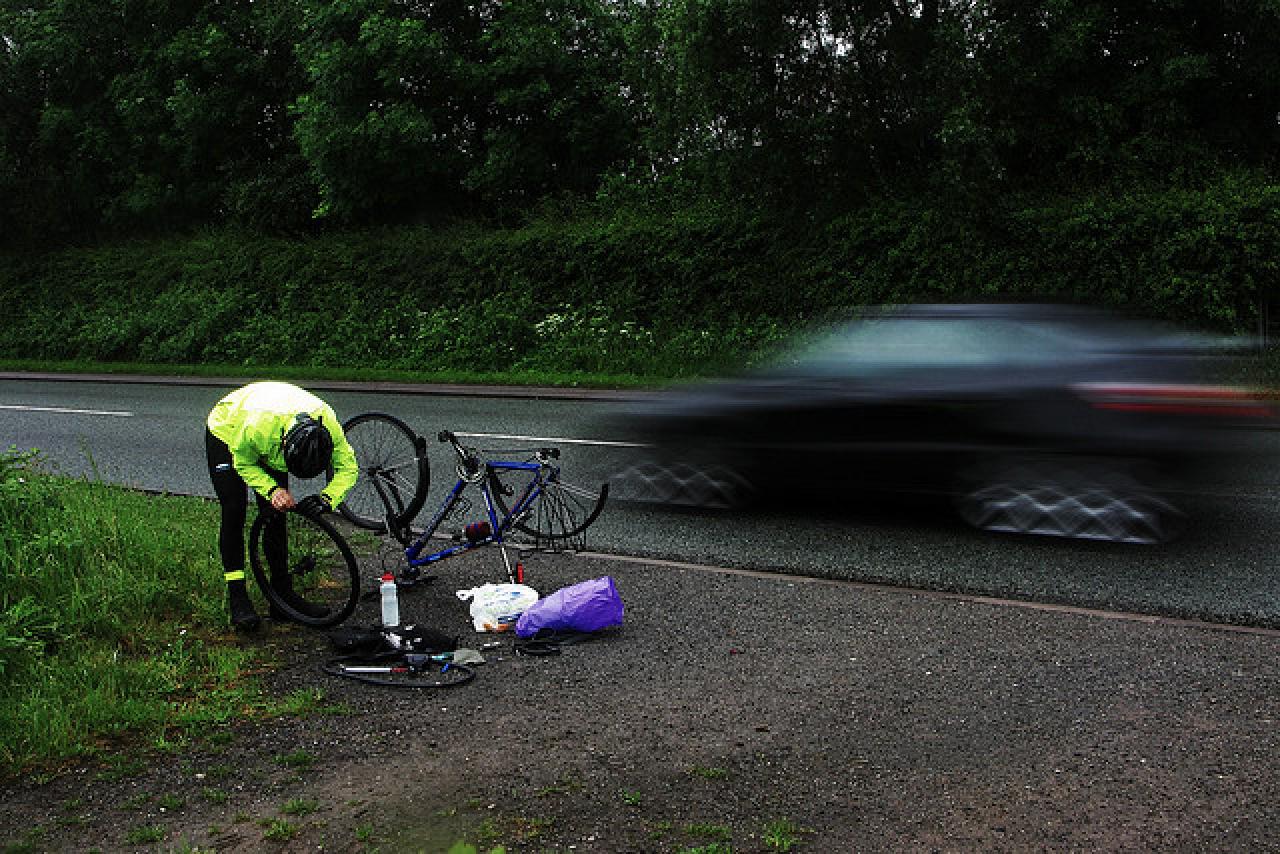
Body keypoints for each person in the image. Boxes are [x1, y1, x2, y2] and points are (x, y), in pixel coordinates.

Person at [205, 381, 358, 631]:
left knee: (276, 514)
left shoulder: (328, 425)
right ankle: (238, 597)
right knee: (234, 508)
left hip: (274, 430)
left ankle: (281, 596)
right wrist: (272, 489)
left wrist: (327, 498)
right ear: (285, 443)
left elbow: (348, 468)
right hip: (228, 430)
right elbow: (243, 463)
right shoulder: (258, 428)